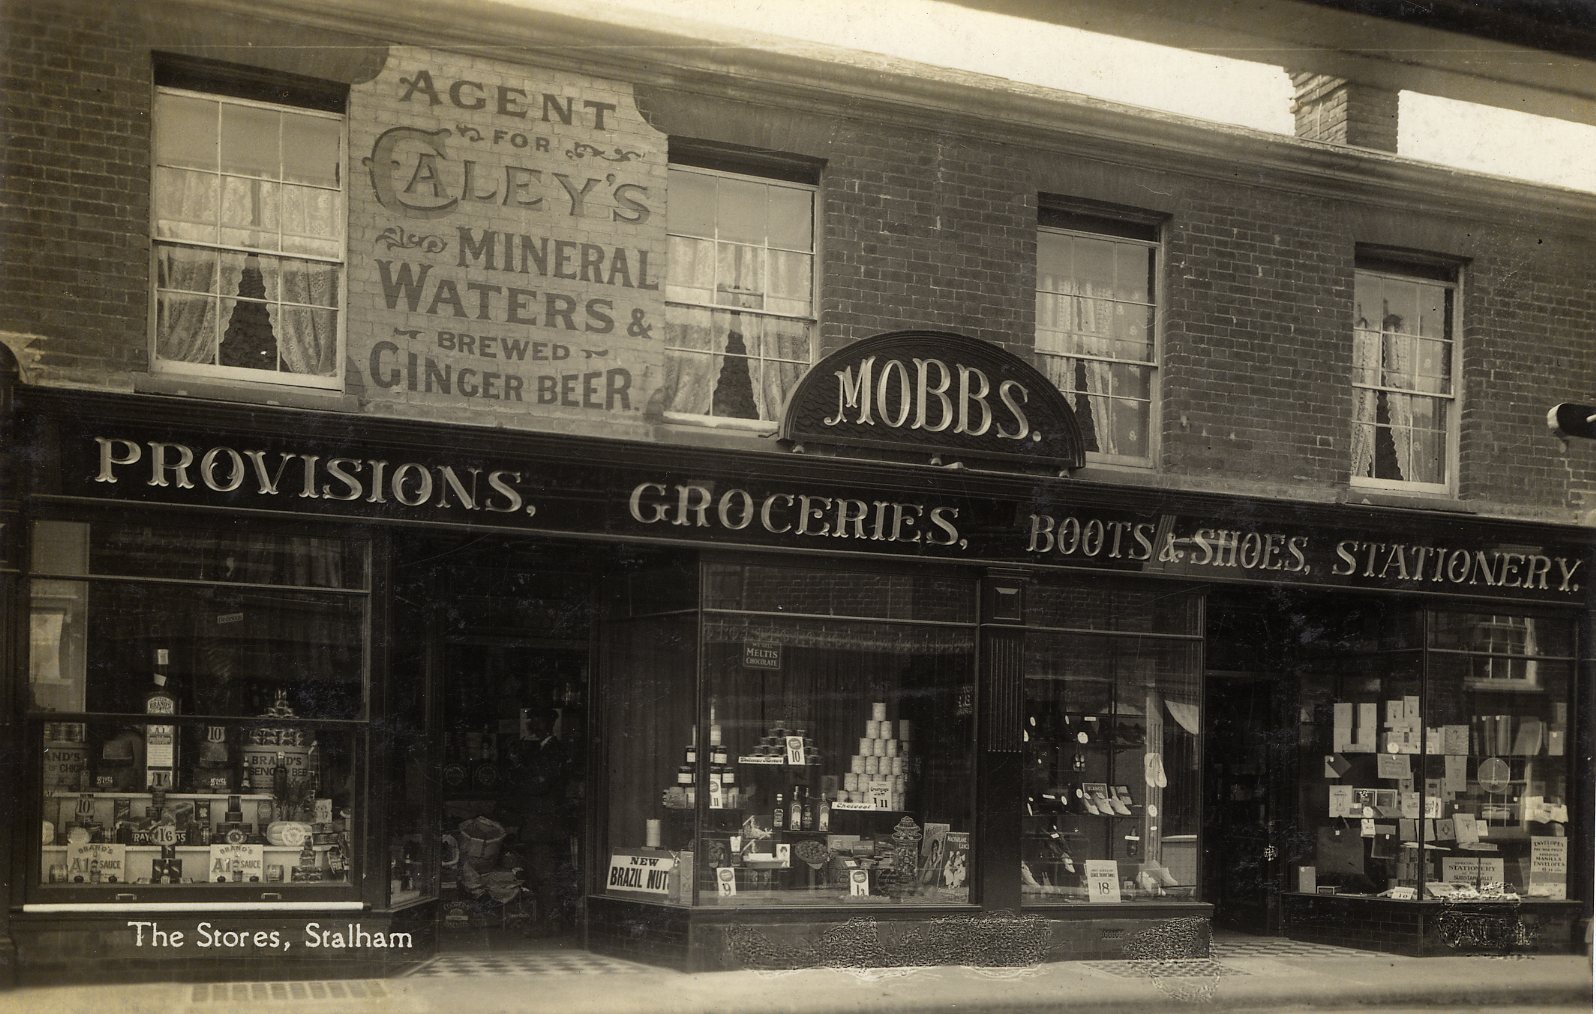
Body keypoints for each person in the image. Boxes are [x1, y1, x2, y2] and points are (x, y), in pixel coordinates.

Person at [507, 706, 569, 935]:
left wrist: (519, 768)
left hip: (544, 824)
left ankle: (549, 923)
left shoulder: (552, 750)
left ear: (547, 723)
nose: (531, 724)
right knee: (541, 873)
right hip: (542, 823)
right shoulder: (545, 750)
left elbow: (540, 784)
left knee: (544, 873)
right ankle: (547, 921)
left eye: (535, 720)